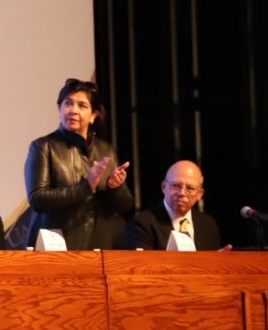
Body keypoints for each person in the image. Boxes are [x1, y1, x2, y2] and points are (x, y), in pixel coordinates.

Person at [24, 78, 132, 250]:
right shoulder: (43, 147)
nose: (73, 110)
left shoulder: (106, 149)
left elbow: (125, 206)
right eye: (68, 104)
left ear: (94, 115)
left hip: (99, 246)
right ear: (59, 109)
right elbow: (37, 199)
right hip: (55, 246)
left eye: (82, 106)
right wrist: (86, 186)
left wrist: (115, 187)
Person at [124, 160, 226, 250]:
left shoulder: (208, 225)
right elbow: (143, 264)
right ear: (164, 187)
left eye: (190, 188)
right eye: (176, 186)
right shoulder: (142, 224)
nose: (182, 193)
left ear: (199, 194)